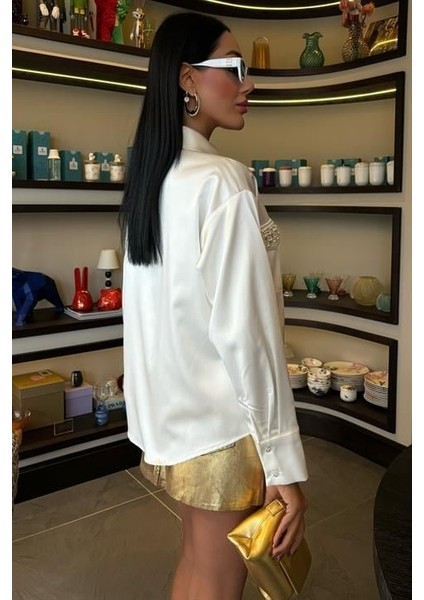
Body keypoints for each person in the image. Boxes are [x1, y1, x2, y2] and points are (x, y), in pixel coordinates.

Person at [119, 11, 309, 600]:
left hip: (177, 420)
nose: (248, 83)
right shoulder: (223, 181)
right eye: (234, 68)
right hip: (226, 428)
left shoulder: (153, 179)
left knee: (199, 562)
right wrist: (282, 464)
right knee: (217, 577)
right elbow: (248, 335)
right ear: (187, 79)